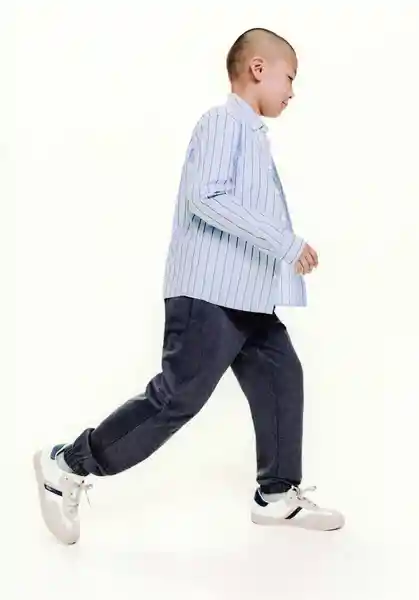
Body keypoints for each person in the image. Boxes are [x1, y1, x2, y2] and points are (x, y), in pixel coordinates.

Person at [33, 27, 345, 545]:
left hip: (246, 301)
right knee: (176, 399)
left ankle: (276, 494)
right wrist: (285, 243)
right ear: (258, 69)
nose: (293, 91)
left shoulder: (251, 135)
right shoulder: (222, 123)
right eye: (290, 77)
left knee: (281, 376)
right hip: (209, 296)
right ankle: (67, 464)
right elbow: (207, 197)